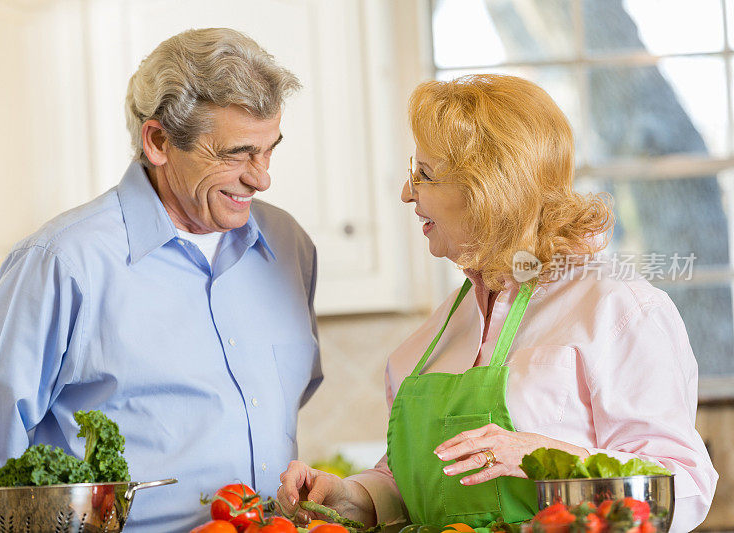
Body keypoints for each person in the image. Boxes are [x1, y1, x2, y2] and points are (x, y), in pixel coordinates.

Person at [277, 75, 717, 532]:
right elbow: (417, 486)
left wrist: (547, 460)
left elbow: (682, 489)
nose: (407, 194)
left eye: (424, 176)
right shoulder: (435, 334)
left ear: (489, 190)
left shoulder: (618, 309)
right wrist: (350, 496)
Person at [0, 28, 321, 532]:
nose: (262, 176)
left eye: (269, 149)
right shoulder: (63, 262)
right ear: (158, 141)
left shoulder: (289, 245)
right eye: (236, 153)